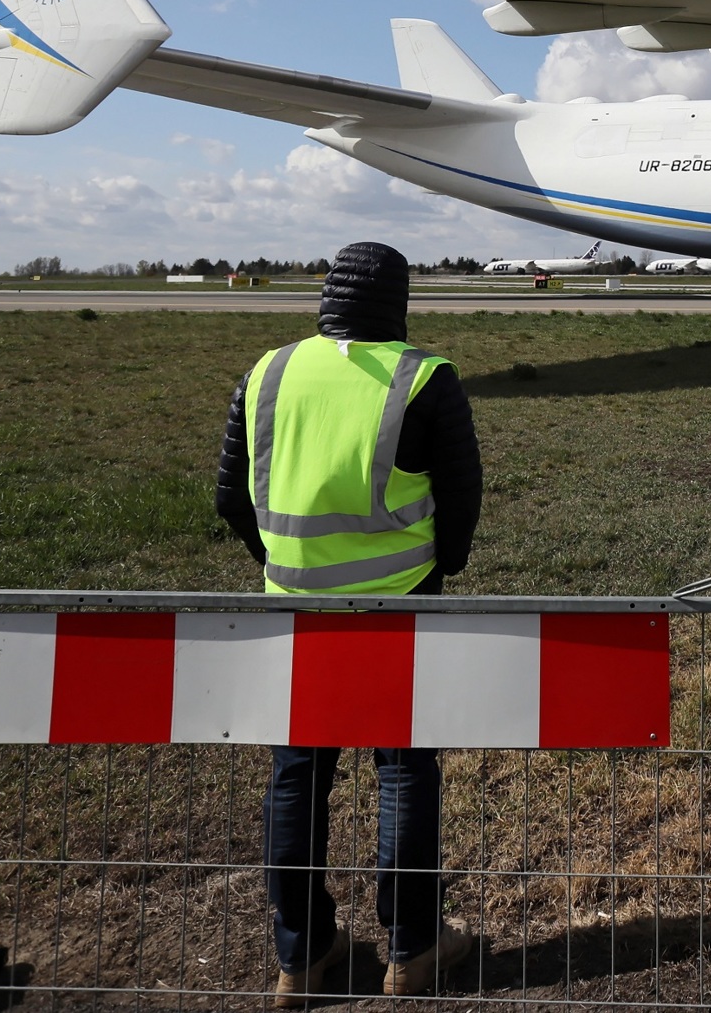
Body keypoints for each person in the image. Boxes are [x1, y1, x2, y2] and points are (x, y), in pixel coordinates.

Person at [215, 241, 484, 1004]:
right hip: (401, 602)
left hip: (292, 608)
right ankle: (413, 948)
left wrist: (280, 560)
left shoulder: (266, 372)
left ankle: (299, 957)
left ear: (327, 296)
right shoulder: (424, 376)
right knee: (403, 768)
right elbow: (461, 498)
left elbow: (232, 497)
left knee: (297, 776)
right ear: (397, 301)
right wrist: (441, 568)